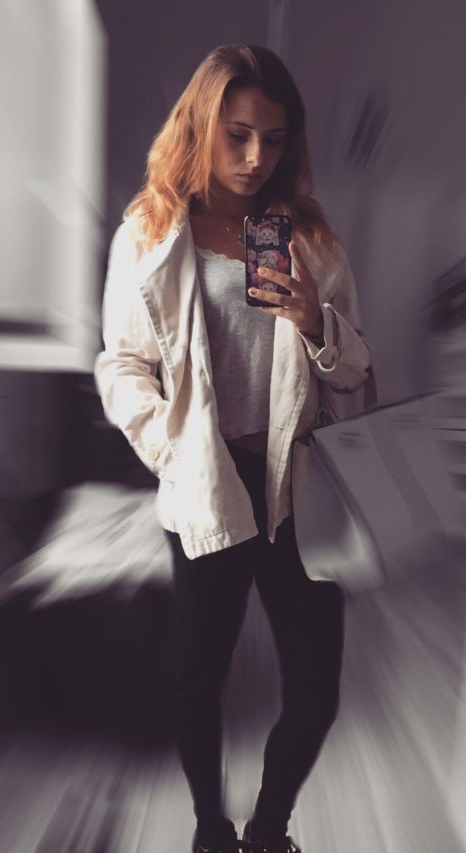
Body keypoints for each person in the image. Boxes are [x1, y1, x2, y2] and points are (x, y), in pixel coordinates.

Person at [95, 43, 371, 853]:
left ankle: (269, 828)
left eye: (275, 139)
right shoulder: (150, 232)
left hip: (296, 481)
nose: (256, 158)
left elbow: (357, 373)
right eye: (238, 134)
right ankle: (211, 830)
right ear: (201, 124)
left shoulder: (308, 238)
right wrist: (171, 451)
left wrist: (315, 321)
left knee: (315, 690)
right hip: (207, 477)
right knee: (198, 678)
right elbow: (122, 365)